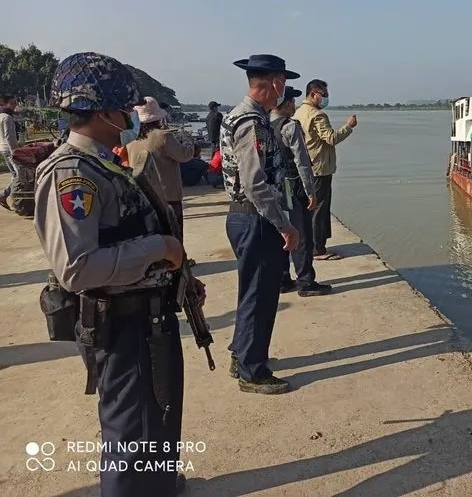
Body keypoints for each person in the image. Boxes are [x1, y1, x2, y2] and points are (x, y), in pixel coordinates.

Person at [34, 52, 200, 496]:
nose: (129, 116)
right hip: (121, 323)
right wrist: (159, 248)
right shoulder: (72, 174)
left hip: (148, 316)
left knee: (159, 414)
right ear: (104, 112)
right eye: (123, 108)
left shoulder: (107, 162)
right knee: (130, 433)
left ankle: (161, 486)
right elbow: (76, 267)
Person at [221, 54, 300, 394]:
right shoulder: (250, 122)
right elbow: (255, 183)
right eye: (282, 83)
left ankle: (243, 354)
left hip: (248, 215)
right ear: (275, 83)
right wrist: (284, 224)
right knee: (261, 294)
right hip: (254, 217)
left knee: (253, 291)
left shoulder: (251, 117)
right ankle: (252, 370)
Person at [271, 86, 332, 297]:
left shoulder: (265, 125)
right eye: (292, 103)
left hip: (274, 186)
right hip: (292, 185)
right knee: (301, 233)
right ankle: (306, 281)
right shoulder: (290, 126)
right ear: (287, 105)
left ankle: (282, 279)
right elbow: (302, 162)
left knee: (281, 232)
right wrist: (310, 192)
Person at [293, 79, 357, 260]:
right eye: (324, 95)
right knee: (320, 209)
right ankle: (318, 248)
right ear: (313, 94)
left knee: (309, 208)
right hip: (320, 168)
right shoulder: (317, 115)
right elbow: (331, 138)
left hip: (306, 166)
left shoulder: (299, 112)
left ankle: (310, 244)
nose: (326, 98)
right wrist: (349, 127)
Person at [127, 97, 195, 241]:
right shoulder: (163, 136)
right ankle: (180, 261)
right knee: (174, 235)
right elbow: (184, 155)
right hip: (168, 196)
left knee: (154, 236)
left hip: (144, 196)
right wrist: (189, 142)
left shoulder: (130, 138)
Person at [0, 95, 20, 210]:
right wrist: (15, 151)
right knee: (20, 176)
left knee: (15, 175)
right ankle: (8, 197)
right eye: (13, 103)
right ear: (5, 104)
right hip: (9, 150)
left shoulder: (1, 115)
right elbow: (9, 137)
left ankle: (5, 196)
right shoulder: (7, 117)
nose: (15, 105)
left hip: (2, 149)